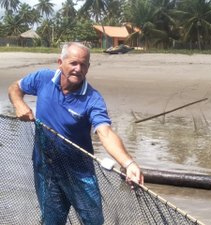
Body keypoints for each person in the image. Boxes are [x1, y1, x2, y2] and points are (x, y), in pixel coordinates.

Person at [8, 42, 144, 225]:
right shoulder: (43, 78)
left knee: (93, 221)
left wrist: (128, 163)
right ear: (60, 62)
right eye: (73, 63)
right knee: (51, 220)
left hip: (80, 172)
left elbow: (105, 133)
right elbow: (15, 88)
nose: (77, 69)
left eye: (83, 64)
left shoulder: (92, 99)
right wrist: (19, 104)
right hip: (45, 167)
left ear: (88, 68)